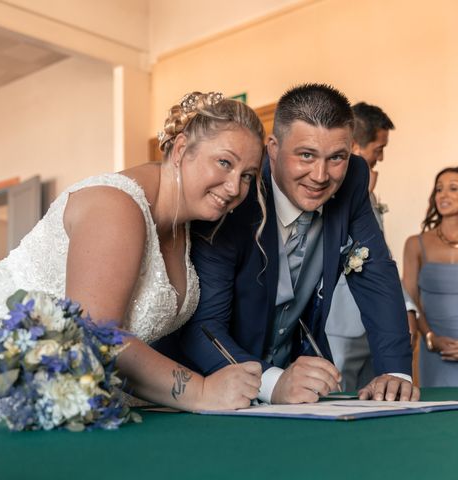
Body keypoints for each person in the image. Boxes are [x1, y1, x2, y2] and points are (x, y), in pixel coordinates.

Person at [0, 91, 266, 418]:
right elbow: (96, 333)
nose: (235, 187)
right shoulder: (117, 206)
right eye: (224, 163)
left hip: (83, 390)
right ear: (181, 149)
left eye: (247, 175)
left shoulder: (187, 226)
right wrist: (199, 391)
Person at [178, 84, 418, 404]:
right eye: (306, 155)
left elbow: (375, 271)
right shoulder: (234, 194)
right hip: (211, 383)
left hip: (298, 383)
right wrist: (273, 383)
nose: (320, 175)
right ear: (273, 149)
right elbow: (203, 324)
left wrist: (395, 373)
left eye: (336, 158)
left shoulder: (354, 178)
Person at [324, 102, 418, 390]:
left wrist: (405, 307)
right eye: (379, 148)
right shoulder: (323, 187)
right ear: (355, 147)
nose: (382, 157)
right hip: (336, 323)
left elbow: (379, 255)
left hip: (374, 323)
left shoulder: (367, 193)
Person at [403, 167, 458, 386]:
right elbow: (410, 298)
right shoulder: (416, 244)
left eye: (453, 188)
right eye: (439, 189)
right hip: (433, 351)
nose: (443, 195)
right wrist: (429, 337)